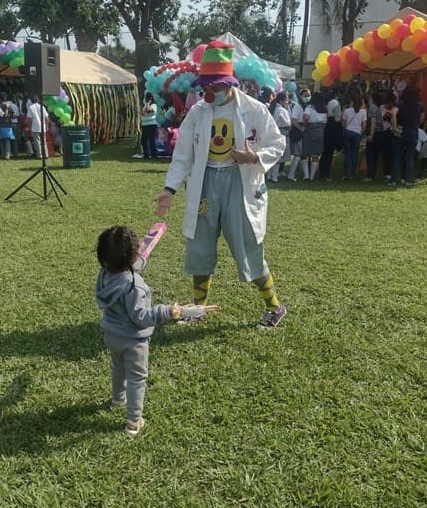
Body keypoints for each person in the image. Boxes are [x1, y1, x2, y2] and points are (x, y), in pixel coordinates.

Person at [154, 39, 287, 329]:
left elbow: (278, 143)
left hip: (239, 185)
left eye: (215, 86)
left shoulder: (254, 109)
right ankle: (198, 309)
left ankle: (275, 307)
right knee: (199, 249)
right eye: (206, 87)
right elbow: (183, 155)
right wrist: (169, 189)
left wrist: (254, 157)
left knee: (248, 247)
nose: (209, 92)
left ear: (229, 83)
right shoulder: (198, 112)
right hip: (205, 184)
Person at [97, 226, 181, 435]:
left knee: (118, 368)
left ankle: (118, 400)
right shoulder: (135, 287)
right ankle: (134, 422)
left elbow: (131, 267)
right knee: (136, 378)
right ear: (131, 257)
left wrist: (146, 249)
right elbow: (141, 318)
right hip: (133, 342)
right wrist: (167, 312)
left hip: (111, 336)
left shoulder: (105, 274)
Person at [391, 85, 423, 185]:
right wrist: (417, 124)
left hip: (401, 132)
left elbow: (393, 113)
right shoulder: (419, 105)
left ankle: (394, 180)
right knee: (410, 158)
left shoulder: (399, 104)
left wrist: (395, 127)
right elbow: (422, 118)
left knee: (397, 157)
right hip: (413, 132)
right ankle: (407, 180)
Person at [302, 91, 328, 180]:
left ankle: (306, 175)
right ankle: (312, 177)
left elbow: (305, 117)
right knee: (316, 154)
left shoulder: (309, 107)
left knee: (305, 153)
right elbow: (324, 123)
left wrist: (305, 126)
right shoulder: (324, 109)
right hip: (320, 130)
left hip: (309, 129)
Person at [341, 92, 367, 180]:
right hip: (357, 134)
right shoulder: (363, 111)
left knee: (347, 154)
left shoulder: (347, 111)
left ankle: (345, 174)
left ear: (351, 101)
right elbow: (364, 126)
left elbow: (343, 124)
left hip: (348, 132)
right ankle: (353, 174)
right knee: (355, 154)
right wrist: (361, 131)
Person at [267, 91, 291, 182]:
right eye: (286, 99)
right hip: (281, 131)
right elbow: (287, 122)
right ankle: (274, 176)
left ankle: (270, 175)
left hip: (273, 131)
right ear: (281, 101)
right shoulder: (282, 110)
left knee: (273, 154)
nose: (288, 101)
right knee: (279, 154)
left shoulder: (273, 108)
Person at [320, 88, 343, 181]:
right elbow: (337, 118)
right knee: (330, 153)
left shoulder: (327, 102)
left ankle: (321, 172)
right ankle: (327, 174)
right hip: (334, 126)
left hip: (327, 126)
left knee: (325, 152)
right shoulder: (336, 103)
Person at [286, 94, 306, 181]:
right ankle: (291, 174)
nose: (307, 97)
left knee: (300, 154)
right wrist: (301, 129)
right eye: (305, 95)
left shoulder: (307, 107)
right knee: (298, 154)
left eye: (309, 95)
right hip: (297, 130)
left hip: (303, 129)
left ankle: (296, 173)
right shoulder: (297, 107)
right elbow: (293, 120)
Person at [140, 92, 158, 159]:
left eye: (147, 98)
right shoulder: (145, 105)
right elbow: (142, 113)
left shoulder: (154, 105)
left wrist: (148, 103)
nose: (146, 99)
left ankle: (154, 155)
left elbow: (148, 110)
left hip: (151, 125)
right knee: (143, 140)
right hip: (144, 124)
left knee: (151, 140)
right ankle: (146, 155)